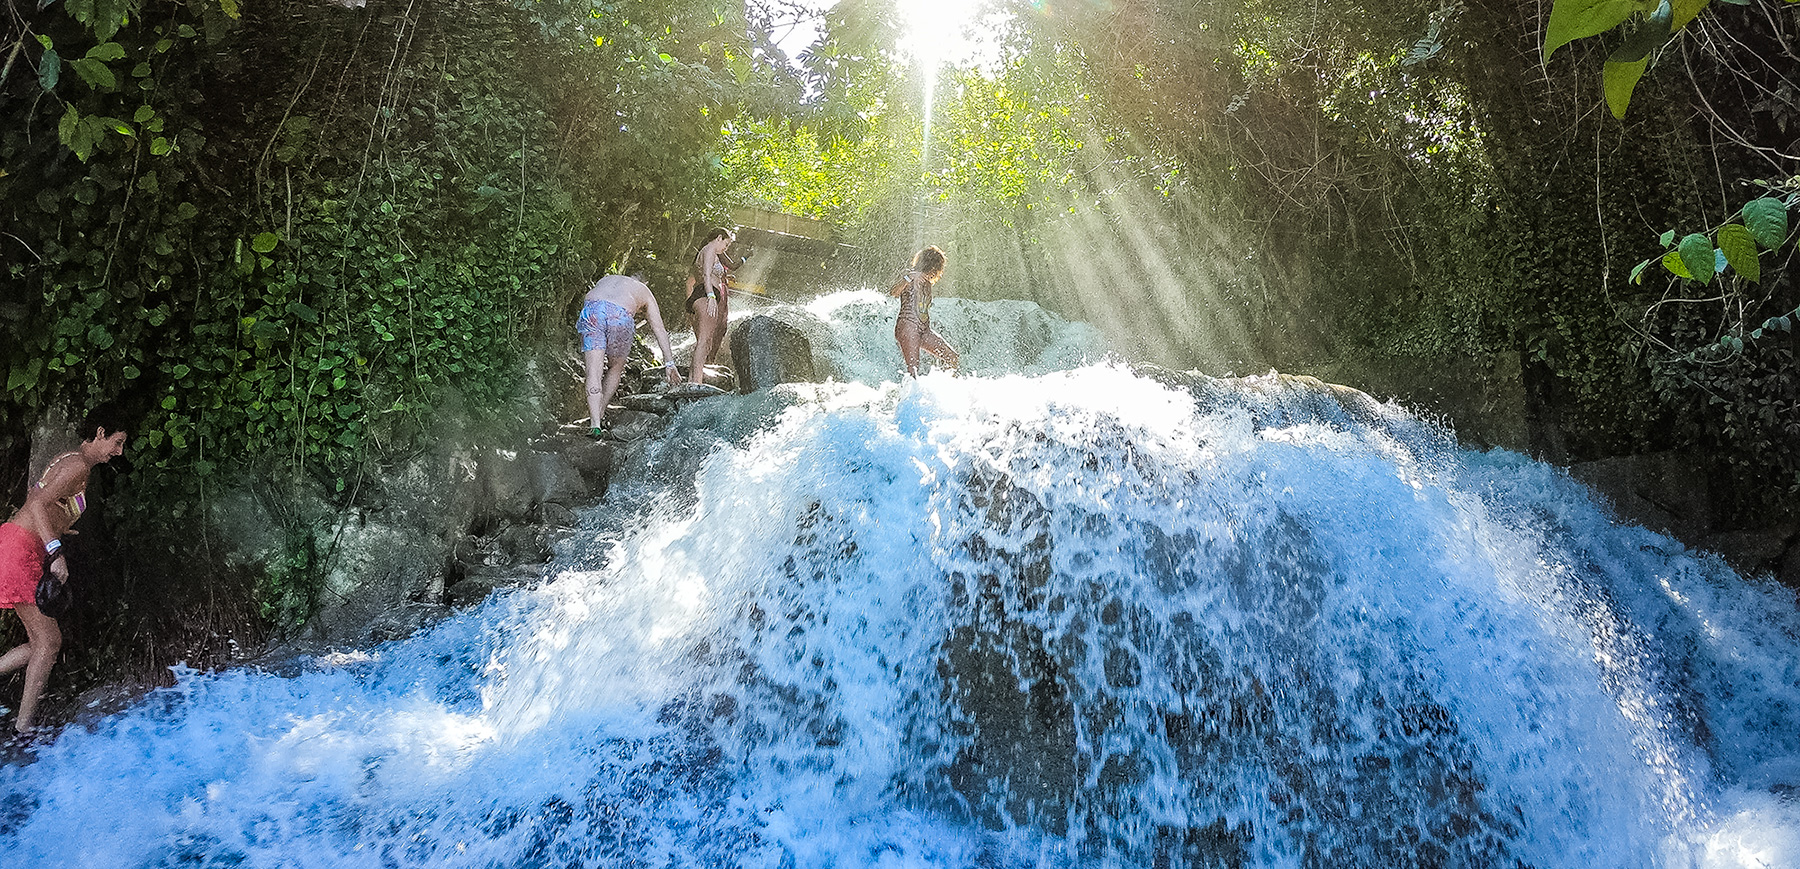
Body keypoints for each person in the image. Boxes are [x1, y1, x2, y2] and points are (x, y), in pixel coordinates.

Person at [0, 409, 128, 735]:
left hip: (15, 543)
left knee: (43, 642)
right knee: (49, 643)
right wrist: (55, 551)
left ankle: (23, 727)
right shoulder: (77, 466)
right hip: (20, 550)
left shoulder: (72, 461)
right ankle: (23, 730)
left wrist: (61, 528)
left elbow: (39, 502)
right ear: (100, 433)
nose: (119, 451)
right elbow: (40, 503)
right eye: (117, 442)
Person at [576, 272, 681, 439]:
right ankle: (600, 413)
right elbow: (659, 329)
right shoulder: (643, 289)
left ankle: (594, 424)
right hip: (619, 314)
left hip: (592, 310)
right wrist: (669, 363)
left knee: (593, 372)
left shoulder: (608, 279)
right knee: (615, 367)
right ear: (645, 281)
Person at [889, 245, 959, 377]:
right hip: (908, 326)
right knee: (913, 370)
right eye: (938, 267)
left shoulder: (927, 282)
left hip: (924, 330)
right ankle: (907, 396)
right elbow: (893, 292)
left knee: (952, 357)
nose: (938, 271)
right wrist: (910, 277)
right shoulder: (910, 275)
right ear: (932, 265)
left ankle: (945, 389)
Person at [685, 228, 736, 385]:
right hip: (705, 295)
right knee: (704, 340)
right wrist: (711, 296)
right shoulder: (709, 250)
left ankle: (693, 378)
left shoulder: (709, 251)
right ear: (719, 238)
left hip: (703, 294)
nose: (725, 249)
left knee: (706, 342)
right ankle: (695, 382)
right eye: (726, 244)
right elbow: (706, 274)